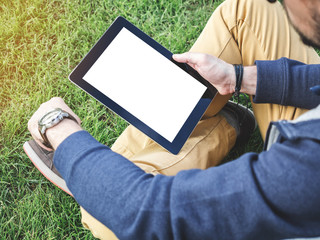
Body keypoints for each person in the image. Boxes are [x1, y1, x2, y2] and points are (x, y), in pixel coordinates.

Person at [24, 0, 320, 239]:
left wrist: (58, 125)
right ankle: (215, 119)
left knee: (103, 216)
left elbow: (145, 213)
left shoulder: (305, 168)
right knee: (251, 9)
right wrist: (237, 77)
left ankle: (104, 170)